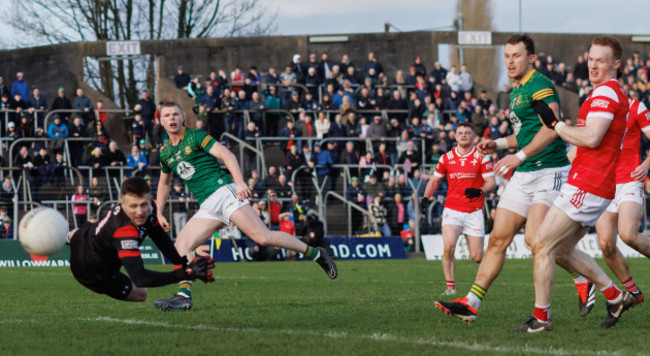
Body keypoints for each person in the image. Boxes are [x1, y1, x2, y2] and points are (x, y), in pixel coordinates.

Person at [434, 34, 589, 324]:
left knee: (534, 239)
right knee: (498, 240)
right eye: (506, 56)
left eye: (516, 55)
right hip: (526, 170)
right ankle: (472, 303)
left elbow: (552, 129)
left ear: (531, 58)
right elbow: (527, 133)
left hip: (549, 170)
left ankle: (580, 280)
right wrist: (500, 145)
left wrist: (517, 157)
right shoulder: (516, 91)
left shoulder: (540, 84)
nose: (510, 61)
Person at [153, 101, 337, 311]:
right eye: (167, 116)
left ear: (182, 117)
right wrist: (159, 211)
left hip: (224, 192)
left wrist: (239, 182)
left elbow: (227, 155)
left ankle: (316, 254)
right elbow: (163, 184)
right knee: (181, 246)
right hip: (207, 206)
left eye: (175, 114)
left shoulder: (195, 136)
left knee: (263, 237)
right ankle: (184, 296)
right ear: (160, 120)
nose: (172, 119)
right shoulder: (166, 152)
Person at [509, 35, 634, 332]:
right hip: (587, 182)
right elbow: (584, 145)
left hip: (589, 184)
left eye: (600, 60)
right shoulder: (603, 93)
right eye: (590, 59)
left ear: (616, 66)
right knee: (562, 249)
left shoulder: (605, 94)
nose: (592, 65)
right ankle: (615, 296)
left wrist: (556, 125)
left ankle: (541, 319)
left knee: (540, 244)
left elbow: (591, 137)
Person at [69, 177, 215, 302]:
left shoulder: (151, 207)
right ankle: (67, 236)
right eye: (133, 206)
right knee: (141, 294)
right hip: (89, 271)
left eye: (143, 204)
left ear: (150, 199)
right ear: (122, 204)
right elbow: (140, 278)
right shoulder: (124, 231)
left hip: (87, 236)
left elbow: (159, 236)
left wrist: (182, 262)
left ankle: (70, 235)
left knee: (79, 233)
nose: (139, 212)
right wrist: (186, 273)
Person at [421, 122, 496, 295]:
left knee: (477, 257)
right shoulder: (446, 158)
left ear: (473, 137)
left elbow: (491, 183)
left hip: (474, 211)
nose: (463, 135)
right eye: (460, 133)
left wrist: (480, 190)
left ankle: (482, 283)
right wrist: (425, 197)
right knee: (448, 248)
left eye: (467, 133)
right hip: (452, 210)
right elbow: (434, 181)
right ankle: (450, 288)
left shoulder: (482, 157)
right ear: (455, 137)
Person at [595, 94, 650, 306]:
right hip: (605, 183)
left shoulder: (636, 107)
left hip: (629, 179)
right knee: (606, 244)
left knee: (627, 234)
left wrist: (645, 165)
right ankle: (634, 292)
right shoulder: (595, 108)